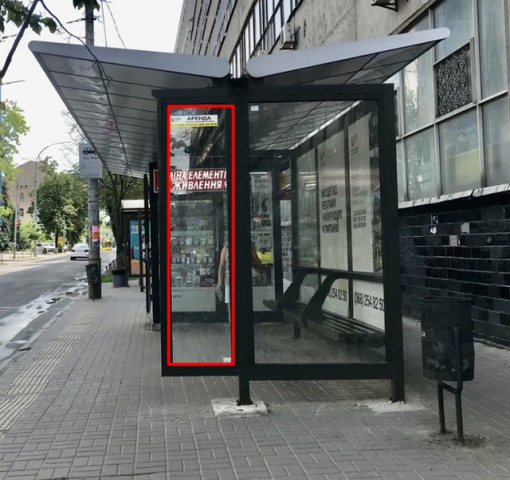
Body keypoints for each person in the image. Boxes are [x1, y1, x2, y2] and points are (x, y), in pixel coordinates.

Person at [217, 241, 265, 320]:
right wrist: (220, 283)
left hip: (240, 281)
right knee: (232, 309)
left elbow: (258, 263)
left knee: (242, 307)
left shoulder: (247, 247)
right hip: (231, 281)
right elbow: (221, 266)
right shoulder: (226, 248)